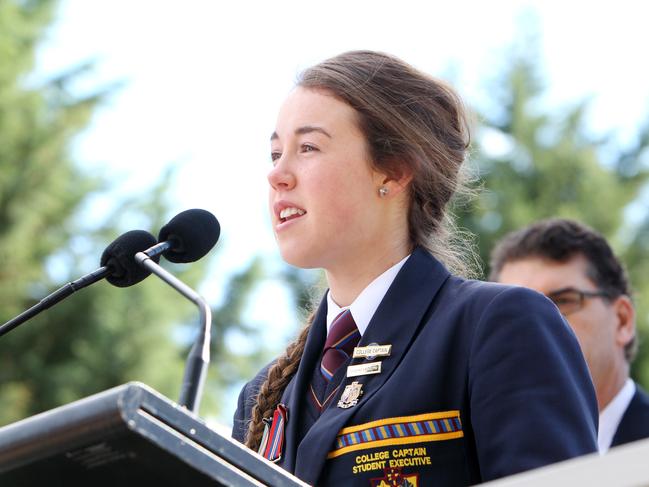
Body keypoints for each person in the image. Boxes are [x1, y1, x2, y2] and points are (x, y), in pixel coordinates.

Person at [232, 51, 597, 486]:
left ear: (395, 170)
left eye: (308, 147)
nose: (277, 175)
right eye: (275, 153)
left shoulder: (498, 326)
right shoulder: (262, 398)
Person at [490, 218, 649, 454]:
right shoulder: (488, 456)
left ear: (623, 320)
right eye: (517, 312)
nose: (536, 327)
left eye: (563, 302)